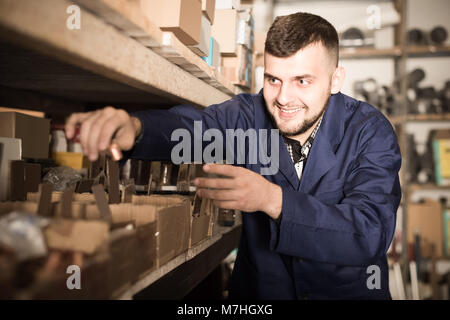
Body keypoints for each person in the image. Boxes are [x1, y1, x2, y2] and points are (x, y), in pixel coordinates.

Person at [65, 12, 401, 300]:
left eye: (302, 80)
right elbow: (190, 129)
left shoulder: (369, 131)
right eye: (273, 79)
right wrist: (135, 127)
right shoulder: (248, 115)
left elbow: (369, 233)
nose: (284, 98)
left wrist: (273, 199)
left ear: (335, 80)